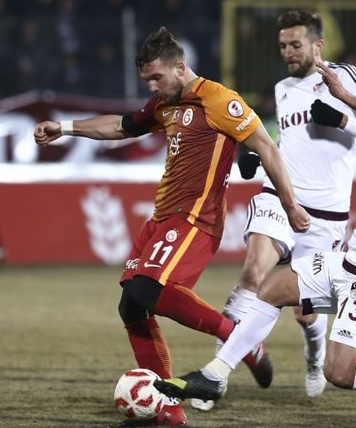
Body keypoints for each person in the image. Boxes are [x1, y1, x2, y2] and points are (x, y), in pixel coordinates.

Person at [153, 64, 356, 413]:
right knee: (273, 288)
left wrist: (345, 96)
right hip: (349, 263)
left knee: (340, 372)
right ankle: (215, 375)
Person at [33, 27, 310, 426]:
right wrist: (65, 128)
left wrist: (290, 205)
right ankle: (168, 407)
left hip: (196, 218)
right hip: (162, 218)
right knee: (131, 305)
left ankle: (239, 338)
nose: (152, 87)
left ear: (180, 67)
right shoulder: (165, 104)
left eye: (156, 78)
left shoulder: (220, 100)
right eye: (147, 80)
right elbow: (122, 126)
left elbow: (267, 147)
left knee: (148, 290)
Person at [192, 10, 356, 410]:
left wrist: (342, 119)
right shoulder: (282, 88)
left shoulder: (347, 77)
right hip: (280, 196)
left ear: (318, 45)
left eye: (296, 45)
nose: (288, 52)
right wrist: (259, 158)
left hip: (326, 214)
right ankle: (215, 377)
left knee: (305, 313)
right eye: (283, 46)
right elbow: (286, 142)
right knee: (253, 274)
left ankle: (314, 353)